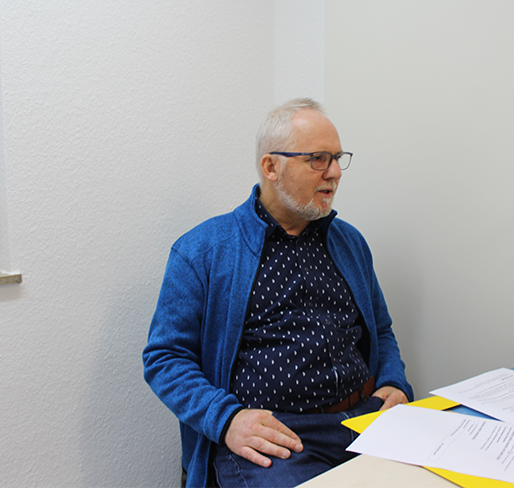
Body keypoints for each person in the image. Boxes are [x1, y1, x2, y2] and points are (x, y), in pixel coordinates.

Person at [143, 98, 413, 488]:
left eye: (337, 158)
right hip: (278, 439)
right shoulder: (202, 251)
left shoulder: (350, 242)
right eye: (318, 159)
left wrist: (393, 382)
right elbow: (165, 358)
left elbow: (381, 330)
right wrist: (227, 419)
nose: (335, 173)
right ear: (271, 167)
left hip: (366, 420)